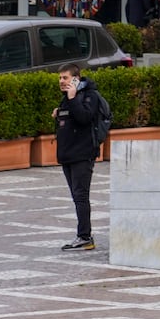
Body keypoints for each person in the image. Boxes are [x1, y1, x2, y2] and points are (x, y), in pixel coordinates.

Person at [53, 63, 105, 251]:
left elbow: (85, 118)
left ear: (76, 78)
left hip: (82, 154)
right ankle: (84, 235)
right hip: (68, 154)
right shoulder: (67, 97)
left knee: (81, 196)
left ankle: (85, 236)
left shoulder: (89, 95)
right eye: (59, 78)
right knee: (76, 196)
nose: (61, 81)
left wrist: (73, 98)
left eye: (65, 78)